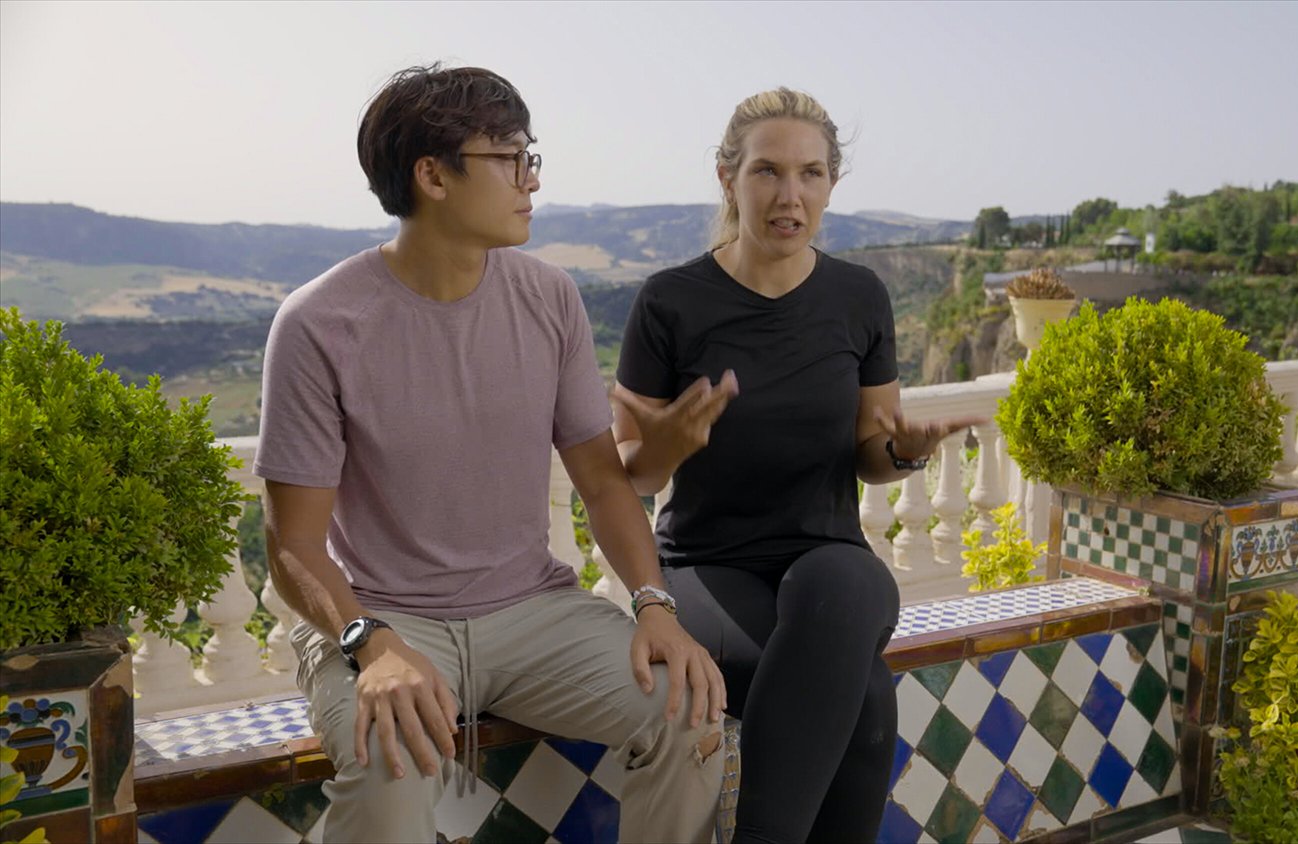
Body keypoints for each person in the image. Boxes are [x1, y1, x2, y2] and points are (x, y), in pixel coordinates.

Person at [254, 64, 725, 844]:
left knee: (694, 713)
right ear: (432, 175)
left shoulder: (550, 298)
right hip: (382, 614)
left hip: (532, 611)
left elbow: (604, 483)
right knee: (387, 760)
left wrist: (653, 604)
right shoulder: (317, 324)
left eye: (529, 156)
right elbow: (293, 544)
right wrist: (370, 645)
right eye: (509, 159)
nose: (530, 181)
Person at [611, 87, 984, 844]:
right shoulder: (670, 302)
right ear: (728, 179)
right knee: (868, 699)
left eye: (811, 174)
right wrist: (670, 442)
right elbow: (633, 475)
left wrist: (904, 455)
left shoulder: (858, 296)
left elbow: (871, 458)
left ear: (831, 185)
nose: (791, 196)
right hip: (707, 569)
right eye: (768, 172)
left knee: (839, 580)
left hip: (826, 565)